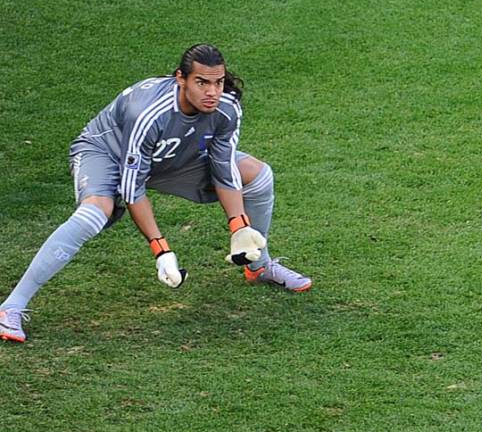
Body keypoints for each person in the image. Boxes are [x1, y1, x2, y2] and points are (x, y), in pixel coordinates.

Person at [0, 43, 312, 343]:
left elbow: (223, 165)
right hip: (107, 153)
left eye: (218, 82)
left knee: (258, 175)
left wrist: (239, 226)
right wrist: (162, 250)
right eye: (202, 82)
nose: (212, 92)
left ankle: (259, 267)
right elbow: (132, 186)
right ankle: (11, 307)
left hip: (172, 156)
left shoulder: (227, 107)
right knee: (95, 212)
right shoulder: (148, 112)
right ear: (180, 79)